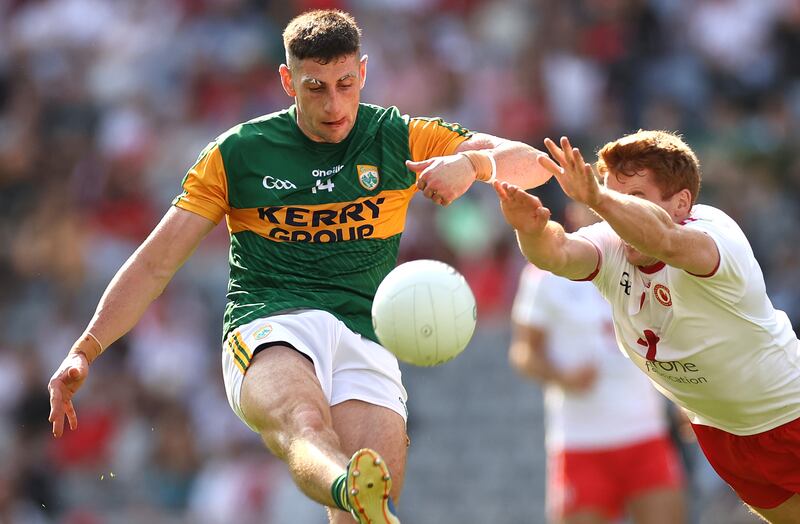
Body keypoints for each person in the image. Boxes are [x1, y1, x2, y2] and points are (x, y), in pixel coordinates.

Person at [46, 9, 552, 524]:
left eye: (345, 84)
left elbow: (538, 166)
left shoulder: (398, 135)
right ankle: (342, 484)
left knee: (373, 499)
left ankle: (352, 494)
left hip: (365, 331)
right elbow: (155, 263)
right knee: (304, 422)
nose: (334, 104)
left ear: (363, 74)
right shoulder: (237, 154)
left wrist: (473, 164)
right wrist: (85, 351)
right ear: (287, 81)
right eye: (315, 88)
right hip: (271, 321)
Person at [495, 130, 800, 523]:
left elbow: (664, 240)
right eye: (609, 197)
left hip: (788, 415)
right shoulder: (611, 244)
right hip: (720, 432)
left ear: (681, 203)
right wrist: (530, 230)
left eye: (633, 199)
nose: (614, 217)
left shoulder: (713, 234)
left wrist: (600, 199)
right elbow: (557, 254)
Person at [509, 201, 686, 524]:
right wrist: (562, 376)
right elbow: (524, 352)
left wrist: (685, 399)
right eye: (586, 200)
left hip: (645, 432)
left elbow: (674, 340)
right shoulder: (544, 275)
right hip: (581, 440)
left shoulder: (641, 261)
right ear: (572, 210)